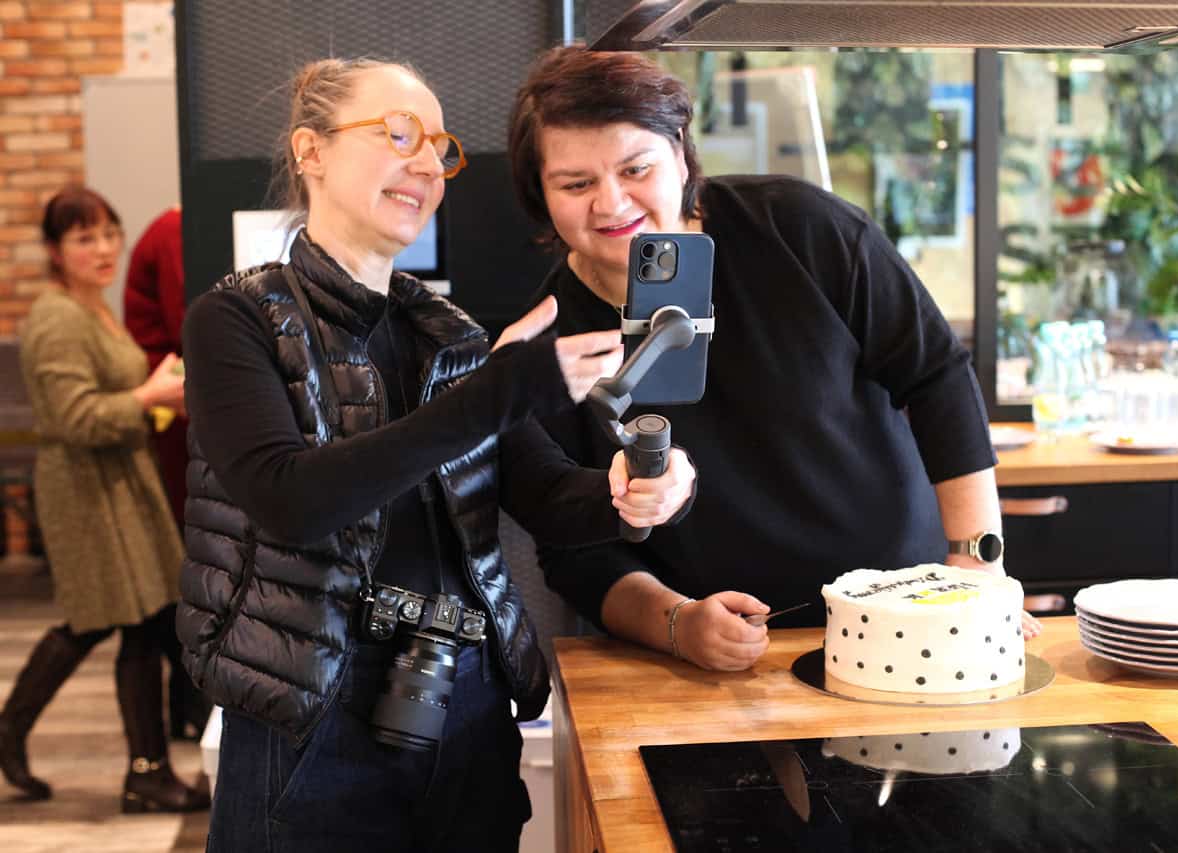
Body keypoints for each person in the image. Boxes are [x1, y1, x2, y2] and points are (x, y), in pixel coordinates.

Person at [176, 58, 695, 852]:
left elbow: (549, 495)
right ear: (311, 151)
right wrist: (500, 391)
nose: (426, 163)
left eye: (439, 147)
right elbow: (291, 501)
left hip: (464, 705)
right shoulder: (236, 320)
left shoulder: (448, 334)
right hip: (312, 719)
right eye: (398, 135)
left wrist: (633, 489)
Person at [505, 46, 1043, 674]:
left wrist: (976, 561)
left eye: (636, 168)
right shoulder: (546, 343)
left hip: (910, 615)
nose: (611, 201)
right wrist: (677, 625)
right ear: (541, 195)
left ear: (679, 154)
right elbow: (575, 551)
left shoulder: (800, 226)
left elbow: (936, 375)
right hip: (724, 663)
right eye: (576, 184)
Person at [0, 187, 209, 813]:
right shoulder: (58, 318)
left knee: (131, 618)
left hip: (119, 481)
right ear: (55, 250)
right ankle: (141, 771)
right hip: (87, 490)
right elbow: (75, 418)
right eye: (84, 238)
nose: (103, 249)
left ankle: (142, 770)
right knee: (112, 619)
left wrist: (158, 397)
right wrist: (150, 397)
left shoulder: (91, 307)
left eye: (108, 234)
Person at [123, 205, 212, 742]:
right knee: (189, 559)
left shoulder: (169, 228)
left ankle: (188, 708)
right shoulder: (176, 232)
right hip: (173, 417)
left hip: (173, 415)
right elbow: (190, 318)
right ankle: (190, 706)